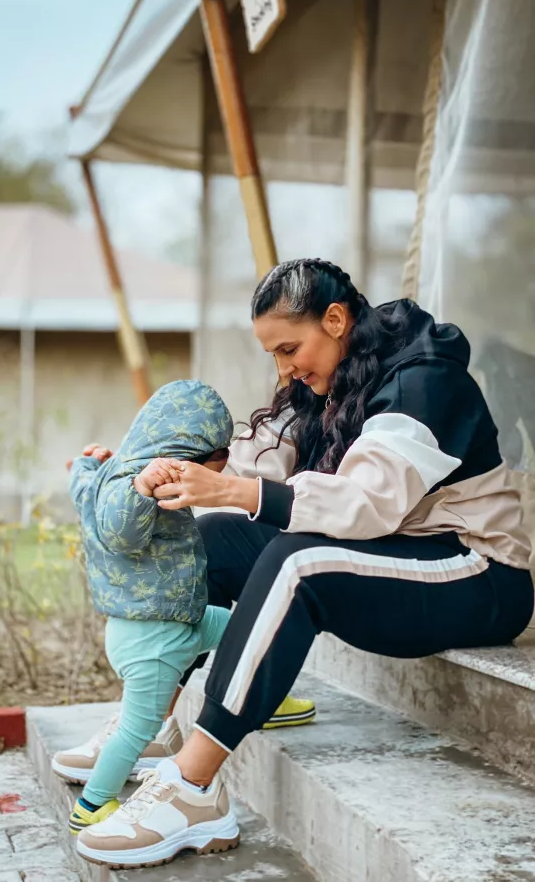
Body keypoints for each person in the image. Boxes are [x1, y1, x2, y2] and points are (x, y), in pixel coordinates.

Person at [74, 258, 534, 870]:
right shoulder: (331, 384)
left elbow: (366, 504)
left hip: (477, 573)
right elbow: (255, 468)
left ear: (336, 320)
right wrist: (140, 472)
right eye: (274, 355)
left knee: (299, 563)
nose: (284, 367)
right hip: (400, 551)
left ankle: (192, 790)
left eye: (290, 348)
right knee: (209, 539)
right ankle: (151, 719)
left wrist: (241, 494)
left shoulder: (424, 382)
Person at [53, 379, 315, 838]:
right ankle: (92, 805)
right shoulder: (134, 488)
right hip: (152, 640)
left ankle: (261, 694)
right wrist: (139, 486)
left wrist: (91, 465)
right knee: (136, 734)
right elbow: (117, 531)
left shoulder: (118, 474)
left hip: (182, 621)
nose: (221, 469)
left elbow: (89, 491)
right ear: (181, 457)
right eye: (216, 462)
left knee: (253, 631)